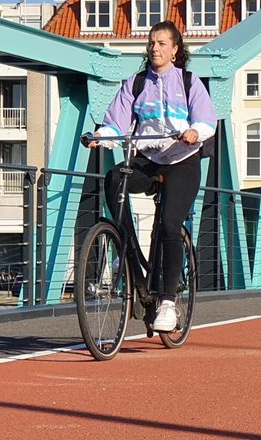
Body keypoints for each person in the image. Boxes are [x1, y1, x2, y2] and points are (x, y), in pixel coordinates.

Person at [86, 21, 218, 332]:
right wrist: (99, 136)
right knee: (114, 178)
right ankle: (125, 247)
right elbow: (115, 124)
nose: (155, 48)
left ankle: (168, 302)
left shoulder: (189, 82)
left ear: (175, 50)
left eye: (161, 43)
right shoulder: (134, 84)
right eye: (151, 43)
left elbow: (207, 120)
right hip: (147, 160)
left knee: (171, 225)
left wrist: (194, 131)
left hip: (182, 161)